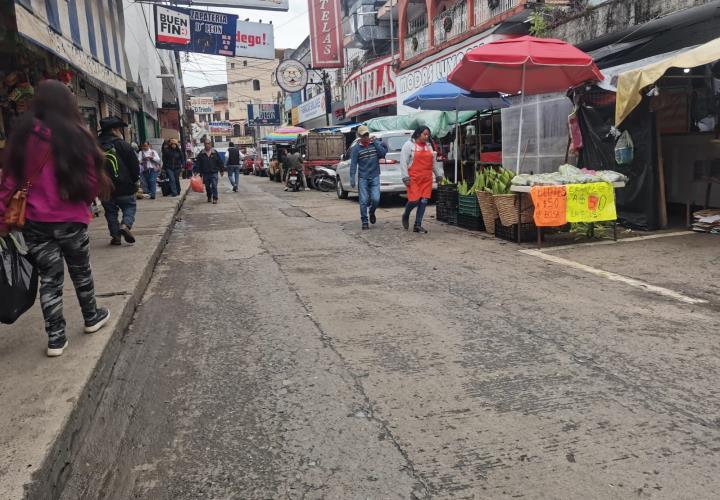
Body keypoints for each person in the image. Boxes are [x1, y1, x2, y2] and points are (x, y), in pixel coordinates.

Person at [0, 80, 111, 357]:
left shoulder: (23, 136)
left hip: (36, 224)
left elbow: (8, 183)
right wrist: (82, 204)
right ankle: (91, 317)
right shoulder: (78, 135)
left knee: (50, 279)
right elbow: (91, 180)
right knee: (81, 270)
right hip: (72, 220)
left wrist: (2, 220)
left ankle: (56, 339)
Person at [98, 116, 141, 245]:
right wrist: (134, 181)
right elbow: (134, 166)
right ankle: (126, 225)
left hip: (104, 187)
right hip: (124, 186)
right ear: (115, 130)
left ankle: (115, 236)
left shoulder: (94, 145)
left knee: (110, 211)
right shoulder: (123, 145)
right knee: (129, 207)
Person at [400, 126, 444, 234]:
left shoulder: (429, 147)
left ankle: (417, 225)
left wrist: (438, 175)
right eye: (424, 134)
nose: (426, 136)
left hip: (426, 179)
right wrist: (405, 177)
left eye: (428, 135)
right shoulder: (408, 145)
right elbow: (403, 162)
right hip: (413, 178)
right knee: (414, 200)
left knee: (423, 201)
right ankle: (406, 214)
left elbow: (433, 163)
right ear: (418, 134)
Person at [349, 125, 387, 230]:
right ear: (359, 136)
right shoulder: (356, 149)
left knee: (376, 199)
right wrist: (352, 177)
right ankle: (364, 221)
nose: (366, 137)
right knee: (363, 200)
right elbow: (353, 164)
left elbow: (383, 153)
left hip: (375, 175)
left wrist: (375, 142)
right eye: (363, 135)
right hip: (363, 177)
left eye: (367, 134)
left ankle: (371, 212)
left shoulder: (374, 143)